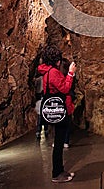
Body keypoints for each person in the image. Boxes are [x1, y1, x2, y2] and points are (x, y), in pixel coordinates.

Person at [38, 45, 76, 183]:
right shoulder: (53, 72)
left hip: (53, 109)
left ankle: (60, 170)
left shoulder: (46, 71)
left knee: (58, 142)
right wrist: (70, 73)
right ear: (57, 60)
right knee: (59, 143)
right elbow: (65, 88)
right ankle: (57, 173)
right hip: (58, 110)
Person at [60, 58, 76, 148]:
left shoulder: (60, 77)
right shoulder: (70, 77)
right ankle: (65, 140)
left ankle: (61, 140)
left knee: (60, 122)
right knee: (67, 122)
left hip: (63, 100)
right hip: (68, 100)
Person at [34, 74, 49, 139]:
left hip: (40, 96)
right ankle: (45, 130)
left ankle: (39, 131)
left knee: (40, 119)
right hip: (42, 96)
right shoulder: (45, 78)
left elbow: (35, 85)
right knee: (44, 118)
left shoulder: (38, 79)